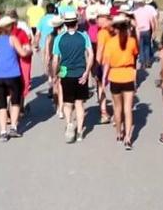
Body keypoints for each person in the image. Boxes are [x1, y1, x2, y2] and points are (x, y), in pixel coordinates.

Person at [51, 11, 93, 143]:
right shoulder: (83, 36)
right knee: (79, 104)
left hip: (66, 74)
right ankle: (80, 132)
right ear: (76, 23)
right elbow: (90, 54)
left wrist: (54, 74)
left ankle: (69, 123)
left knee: (68, 103)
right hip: (81, 73)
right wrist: (87, 72)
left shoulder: (59, 38)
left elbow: (55, 60)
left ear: (65, 24)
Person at [102, 14, 139, 150]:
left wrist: (104, 78)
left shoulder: (110, 43)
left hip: (115, 76)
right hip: (128, 76)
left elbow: (106, 63)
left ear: (115, 28)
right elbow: (135, 56)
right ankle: (128, 137)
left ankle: (119, 133)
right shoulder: (131, 41)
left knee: (117, 108)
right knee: (128, 109)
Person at [8, 9, 34, 112]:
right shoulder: (22, 26)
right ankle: (21, 106)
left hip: (10, 57)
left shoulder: (4, 28)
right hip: (22, 55)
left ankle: (10, 109)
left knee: (11, 83)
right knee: (22, 81)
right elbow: (29, 37)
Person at [93, 12, 113, 123]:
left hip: (104, 62)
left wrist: (96, 64)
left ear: (105, 18)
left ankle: (104, 112)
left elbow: (100, 50)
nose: (97, 21)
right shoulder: (115, 30)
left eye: (99, 18)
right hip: (115, 62)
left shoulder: (102, 33)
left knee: (101, 86)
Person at [133, 0, 158, 69]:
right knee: (147, 46)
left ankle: (142, 62)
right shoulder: (147, 11)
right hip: (147, 30)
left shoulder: (135, 12)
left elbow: (134, 23)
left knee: (141, 47)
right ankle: (148, 61)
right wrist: (153, 31)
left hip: (139, 30)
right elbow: (152, 22)